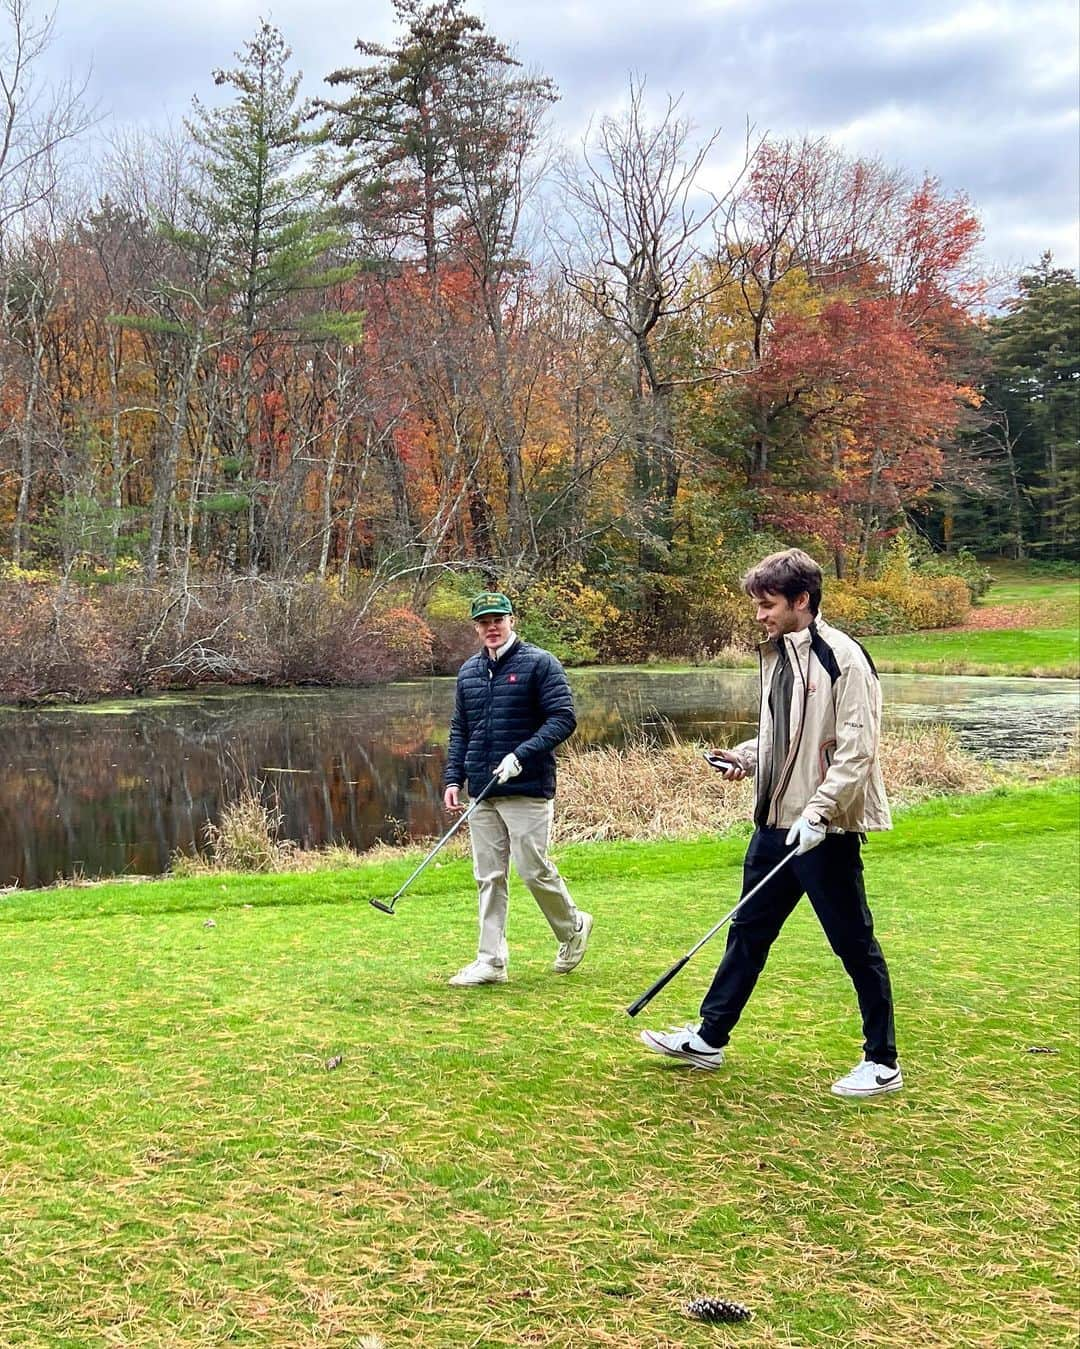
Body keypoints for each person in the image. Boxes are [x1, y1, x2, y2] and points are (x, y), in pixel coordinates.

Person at [640, 548, 901, 1098]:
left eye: (767, 605)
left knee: (853, 943)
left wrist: (820, 812)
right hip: (774, 823)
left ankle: (882, 1061)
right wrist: (746, 757)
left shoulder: (844, 659)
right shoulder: (778, 656)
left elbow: (858, 752)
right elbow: (785, 738)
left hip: (822, 832)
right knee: (748, 932)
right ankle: (710, 1039)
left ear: (801, 601)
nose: (759, 615)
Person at [443, 591, 592, 986]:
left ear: (512, 620)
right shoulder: (469, 672)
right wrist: (453, 778)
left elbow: (563, 719)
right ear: (476, 627)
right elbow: (461, 729)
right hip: (483, 790)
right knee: (489, 876)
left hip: (526, 785)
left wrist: (520, 755)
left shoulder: (540, 664)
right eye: (483, 622)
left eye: (498, 619)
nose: (491, 627)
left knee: (532, 869)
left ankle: (573, 926)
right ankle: (491, 961)